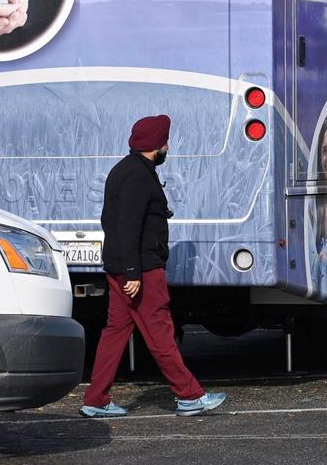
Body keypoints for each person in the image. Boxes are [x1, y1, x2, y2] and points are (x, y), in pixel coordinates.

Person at [82, 115, 226, 418]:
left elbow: (112, 223)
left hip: (120, 267)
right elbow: (129, 226)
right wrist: (134, 273)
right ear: (156, 146)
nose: (168, 147)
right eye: (165, 142)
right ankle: (189, 395)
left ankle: (95, 399)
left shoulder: (124, 170)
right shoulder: (137, 175)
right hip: (142, 270)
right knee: (160, 333)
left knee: (115, 332)